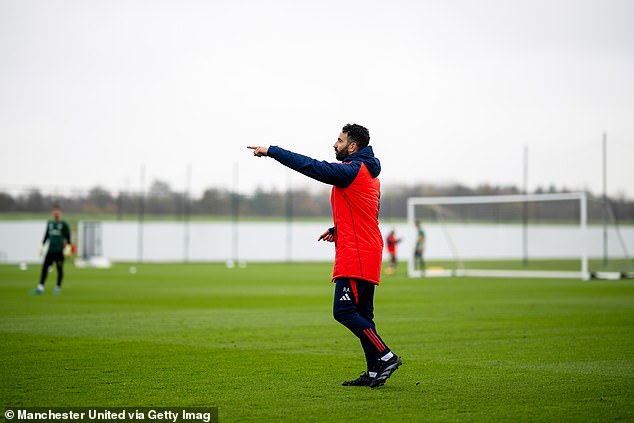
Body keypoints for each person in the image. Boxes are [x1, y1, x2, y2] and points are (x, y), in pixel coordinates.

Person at [248, 123, 401, 388]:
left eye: (339, 140)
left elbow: (310, 166)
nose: (335, 144)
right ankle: (375, 371)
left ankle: (386, 356)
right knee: (363, 316)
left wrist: (272, 151)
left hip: (357, 254)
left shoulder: (351, 170)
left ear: (352, 146)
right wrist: (338, 228)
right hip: (365, 249)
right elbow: (365, 215)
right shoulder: (369, 174)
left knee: (343, 311)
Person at [32, 205, 71, 295]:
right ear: (52, 212)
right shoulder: (50, 223)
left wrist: (68, 249)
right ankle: (40, 287)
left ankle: (57, 287)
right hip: (50, 251)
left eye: (57, 211)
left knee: (59, 269)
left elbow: (68, 237)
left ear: (60, 212)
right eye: (54, 211)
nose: (56, 213)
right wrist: (42, 246)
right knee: (44, 268)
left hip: (59, 251)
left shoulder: (64, 224)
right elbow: (46, 236)